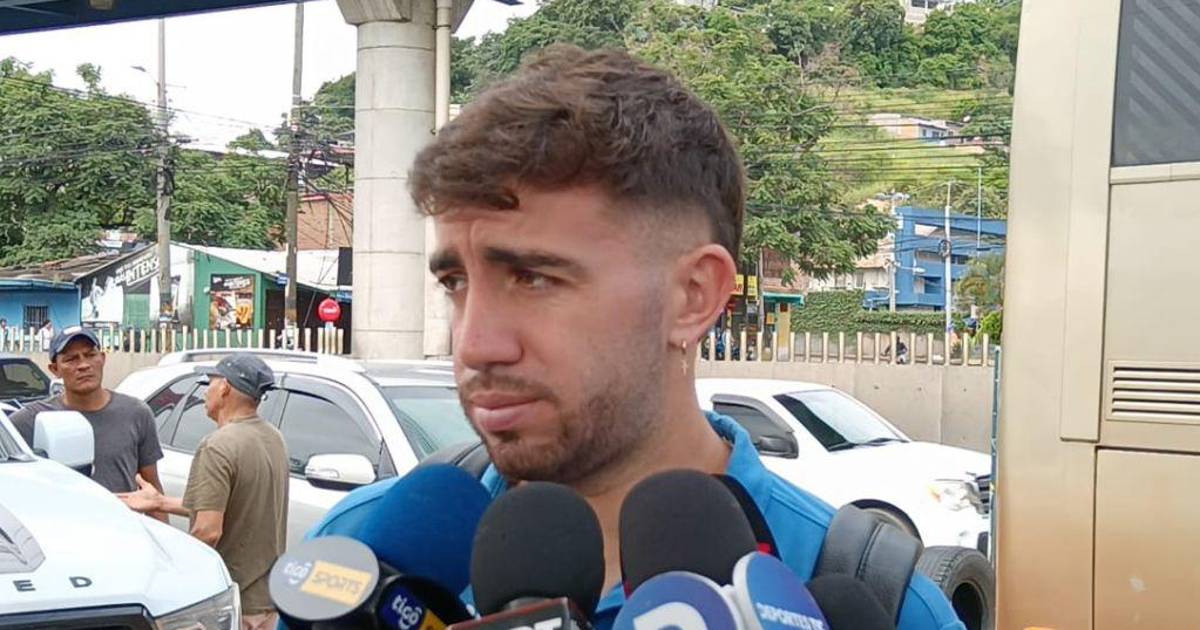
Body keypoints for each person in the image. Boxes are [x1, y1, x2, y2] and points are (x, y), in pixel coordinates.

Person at [311, 45, 964, 630]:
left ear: (693, 297)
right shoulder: (364, 565)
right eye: (455, 282)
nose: (474, 345)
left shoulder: (873, 601)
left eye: (533, 278)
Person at [118, 353, 288, 630]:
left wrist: (180, 584)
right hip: (267, 601)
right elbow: (229, 504)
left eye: (210, 383)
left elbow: (208, 531)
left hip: (233, 600)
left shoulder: (218, 446)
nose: (205, 392)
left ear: (224, 388)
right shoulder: (273, 436)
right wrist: (160, 502)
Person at [10, 326, 166, 500]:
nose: (83, 365)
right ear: (55, 369)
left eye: (90, 355)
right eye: (71, 359)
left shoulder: (136, 413)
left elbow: (152, 491)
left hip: (120, 517)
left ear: (103, 358)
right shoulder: (30, 420)